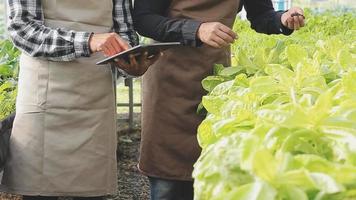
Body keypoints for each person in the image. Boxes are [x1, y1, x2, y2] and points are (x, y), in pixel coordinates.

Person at [133, 0, 305, 199]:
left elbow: (262, 16)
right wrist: (196, 30)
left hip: (216, 80)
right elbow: (144, 20)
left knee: (214, 177)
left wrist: (283, 19)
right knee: (168, 182)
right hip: (170, 82)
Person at [0, 0, 158, 199]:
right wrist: (87, 40)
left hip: (95, 101)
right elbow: (23, 30)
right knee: (39, 193)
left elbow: (124, 33)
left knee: (92, 193)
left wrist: (130, 64)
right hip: (44, 97)